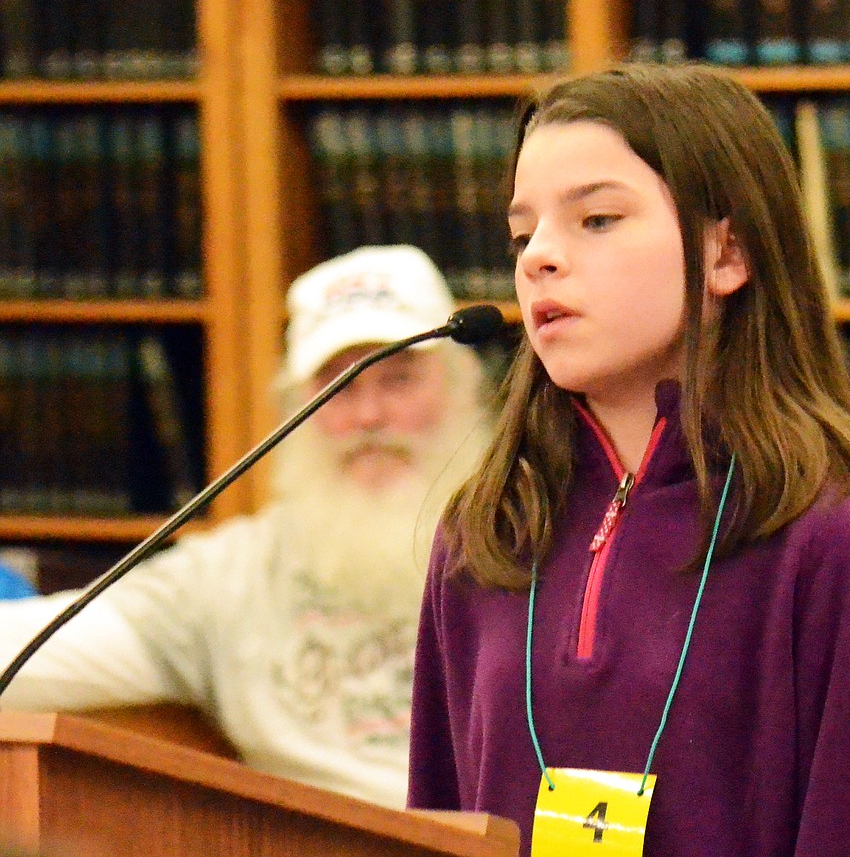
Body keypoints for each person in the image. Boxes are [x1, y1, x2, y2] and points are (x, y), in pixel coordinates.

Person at [408, 64, 850, 856]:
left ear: (727, 253)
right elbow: (436, 824)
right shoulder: (485, 535)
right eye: (524, 234)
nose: (538, 261)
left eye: (595, 219)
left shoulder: (828, 547)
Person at [0, 244, 492, 809]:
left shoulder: (541, 548)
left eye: (399, 380)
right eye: (340, 386)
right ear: (293, 410)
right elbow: (33, 652)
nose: (368, 417)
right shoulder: (232, 580)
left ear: (464, 390)